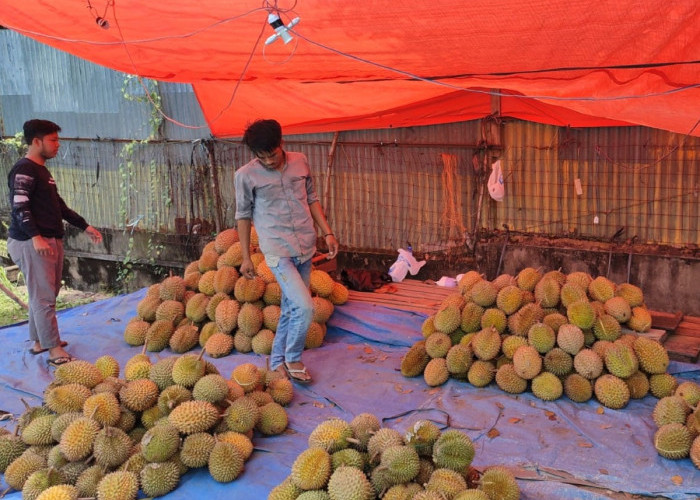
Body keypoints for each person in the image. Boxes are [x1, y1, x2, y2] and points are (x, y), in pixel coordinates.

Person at [235, 119, 338, 383]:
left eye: (273, 154)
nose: (269, 161)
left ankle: (278, 362)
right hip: (277, 250)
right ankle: (293, 358)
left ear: (281, 143)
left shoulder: (300, 161)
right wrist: (246, 257)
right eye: (262, 157)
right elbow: (243, 216)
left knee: (292, 308)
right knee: (305, 307)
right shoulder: (245, 176)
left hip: (304, 244)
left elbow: (312, 198)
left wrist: (327, 232)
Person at [7, 119, 103, 367]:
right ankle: (53, 351)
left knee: (43, 295)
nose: (58, 145)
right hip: (32, 242)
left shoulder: (42, 171)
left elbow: (58, 206)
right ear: (36, 142)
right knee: (44, 298)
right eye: (53, 140)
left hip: (49, 239)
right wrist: (35, 236)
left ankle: (39, 342)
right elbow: (20, 206)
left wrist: (85, 226)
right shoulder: (24, 169)